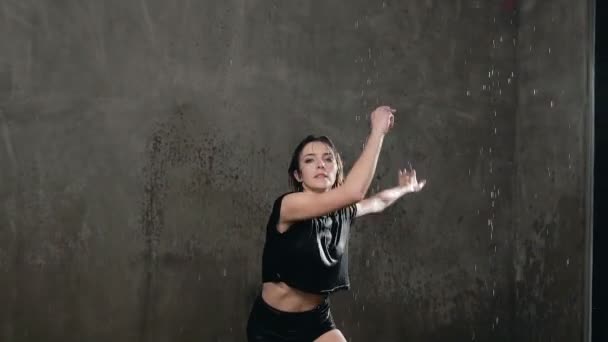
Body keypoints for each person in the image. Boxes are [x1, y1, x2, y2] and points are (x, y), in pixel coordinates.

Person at [246, 105, 426, 341]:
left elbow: (377, 202)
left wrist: (404, 189)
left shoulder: (342, 211)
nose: (321, 164)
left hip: (316, 321)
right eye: (310, 160)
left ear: (337, 168)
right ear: (298, 176)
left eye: (328, 159)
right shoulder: (289, 205)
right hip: (272, 326)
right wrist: (377, 132)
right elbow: (354, 192)